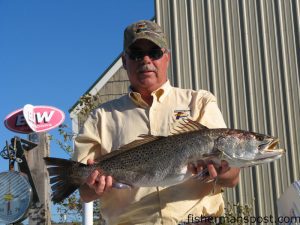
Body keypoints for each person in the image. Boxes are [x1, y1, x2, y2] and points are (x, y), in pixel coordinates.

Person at [73, 20, 240, 225]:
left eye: (154, 53)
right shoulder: (101, 117)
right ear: (125, 61)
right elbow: (85, 193)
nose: (146, 60)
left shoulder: (200, 101)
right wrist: (93, 185)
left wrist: (223, 171)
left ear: (167, 58)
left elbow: (232, 179)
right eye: (136, 54)